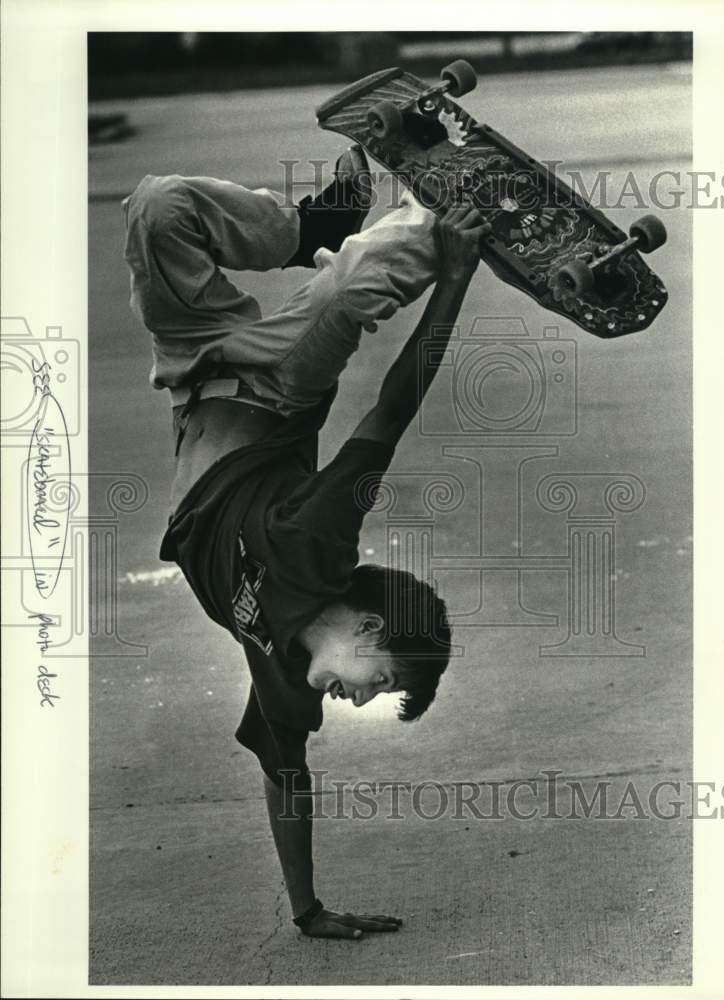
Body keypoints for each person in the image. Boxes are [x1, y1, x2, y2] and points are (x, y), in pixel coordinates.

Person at [123, 148, 491, 940]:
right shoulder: (318, 550)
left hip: (192, 371)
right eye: (379, 679)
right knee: (349, 287)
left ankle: (360, 227)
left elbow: (285, 780)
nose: (357, 700)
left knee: (154, 209)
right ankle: (452, 221)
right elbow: (389, 415)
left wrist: (307, 910)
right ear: (366, 626)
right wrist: (454, 280)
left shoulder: (287, 674)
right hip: (275, 388)